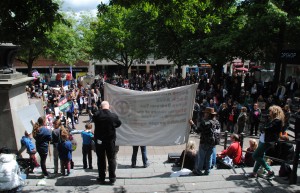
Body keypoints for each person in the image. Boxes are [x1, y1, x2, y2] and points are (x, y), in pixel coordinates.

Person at [246, 105, 285, 179]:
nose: (269, 112)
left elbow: (268, 129)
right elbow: (264, 127)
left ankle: (270, 171)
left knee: (255, 155)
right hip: (263, 139)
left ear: (274, 111)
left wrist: (263, 128)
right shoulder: (272, 119)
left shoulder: (278, 120)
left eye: (270, 111)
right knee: (260, 156)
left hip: (267, 141)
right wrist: (263, 127)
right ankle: (254, 173)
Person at [93, 101, 122, 185]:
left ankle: (101, 177)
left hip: (100, 141)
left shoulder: (97, 115)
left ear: (101, 107)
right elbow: (119, 123)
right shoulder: (113, 116)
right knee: (111, 159)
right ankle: (112, 178)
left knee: (101, 159)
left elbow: (94, 117)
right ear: (109, 107)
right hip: (110, 141)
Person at [190, 107, 217, 176]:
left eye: (205, 112)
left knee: (201, 157)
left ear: (208, 114)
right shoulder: (216, 121)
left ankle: (198, 171)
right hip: (212, 142)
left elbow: (197, 130)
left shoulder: (205, 122)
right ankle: (207, 171)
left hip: (204, 142)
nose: (204, 114)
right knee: (209, 157)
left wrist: (192, 124)